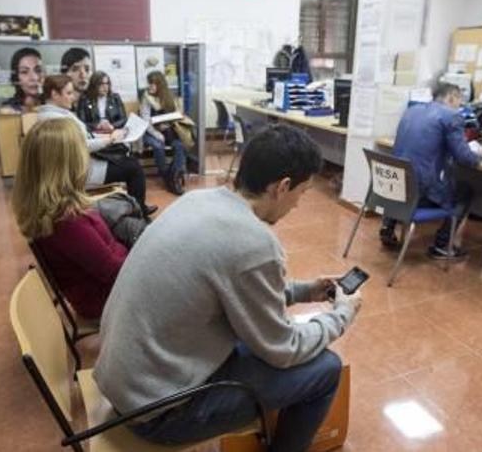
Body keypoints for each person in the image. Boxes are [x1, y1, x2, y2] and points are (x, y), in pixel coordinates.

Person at [93, 125, 362, 452]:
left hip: (127, 384)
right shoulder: (255, 243)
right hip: (159, 412)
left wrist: (305, 291)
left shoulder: (197, 200)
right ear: (283, 187)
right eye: (302, 194)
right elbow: (283, 348)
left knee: (255, 343)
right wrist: (342, 315)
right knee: (326, 370)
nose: (297, 206)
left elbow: (234, 293)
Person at [11, 118, 126, 319]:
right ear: (68, 164)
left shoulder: (56, 210)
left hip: (109, 286)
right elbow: (114, 273)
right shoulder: (67, 223)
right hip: (107, 299)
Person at [380, 82, 482, 259]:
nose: (460, 106)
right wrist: (480, 153)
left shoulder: (412, 110)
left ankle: (388, 226)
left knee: (410, 172)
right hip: (419, 192)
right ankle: (442, 245)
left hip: (393, 189)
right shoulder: (452, 116)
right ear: (451, 97)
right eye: (459, 101)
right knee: (465, 191)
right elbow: (465, 158)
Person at [36, 75, 157, 217]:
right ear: (54, 94)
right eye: (68, 93)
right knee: (134, 168)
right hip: (81, 170)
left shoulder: (55, 114)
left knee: (127, 160)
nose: (73, 97)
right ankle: (138, 213)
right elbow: (81, 146)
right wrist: (110, 139)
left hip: (82, 162)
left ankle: (137, 207)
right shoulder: (55, 120)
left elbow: (82, 138)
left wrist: (107, 137)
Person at [141, 70, 188, 195]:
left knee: (180, 146)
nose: (150, 86)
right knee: (158, 146)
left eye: (153, 83)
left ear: (160, 85)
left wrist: (172, 121)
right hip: (151, 132)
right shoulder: (146, 98)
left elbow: (177, 115)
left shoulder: (169, 97)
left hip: (169, 131)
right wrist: (157, 133)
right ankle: (169, 178)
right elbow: (146, 122)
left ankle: (173, 176)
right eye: (149, 83)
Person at [2, 47, 43, 112]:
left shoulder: (51, 104)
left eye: (38, 70)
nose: (35, 77)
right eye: (24, 72)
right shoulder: (8, 109)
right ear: (16, 77)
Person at [60, 47, 93, 123]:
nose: (83, 75)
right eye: (75, 69)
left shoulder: (92, 100)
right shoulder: (60, 104)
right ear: (64, 73)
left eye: (87, 69)